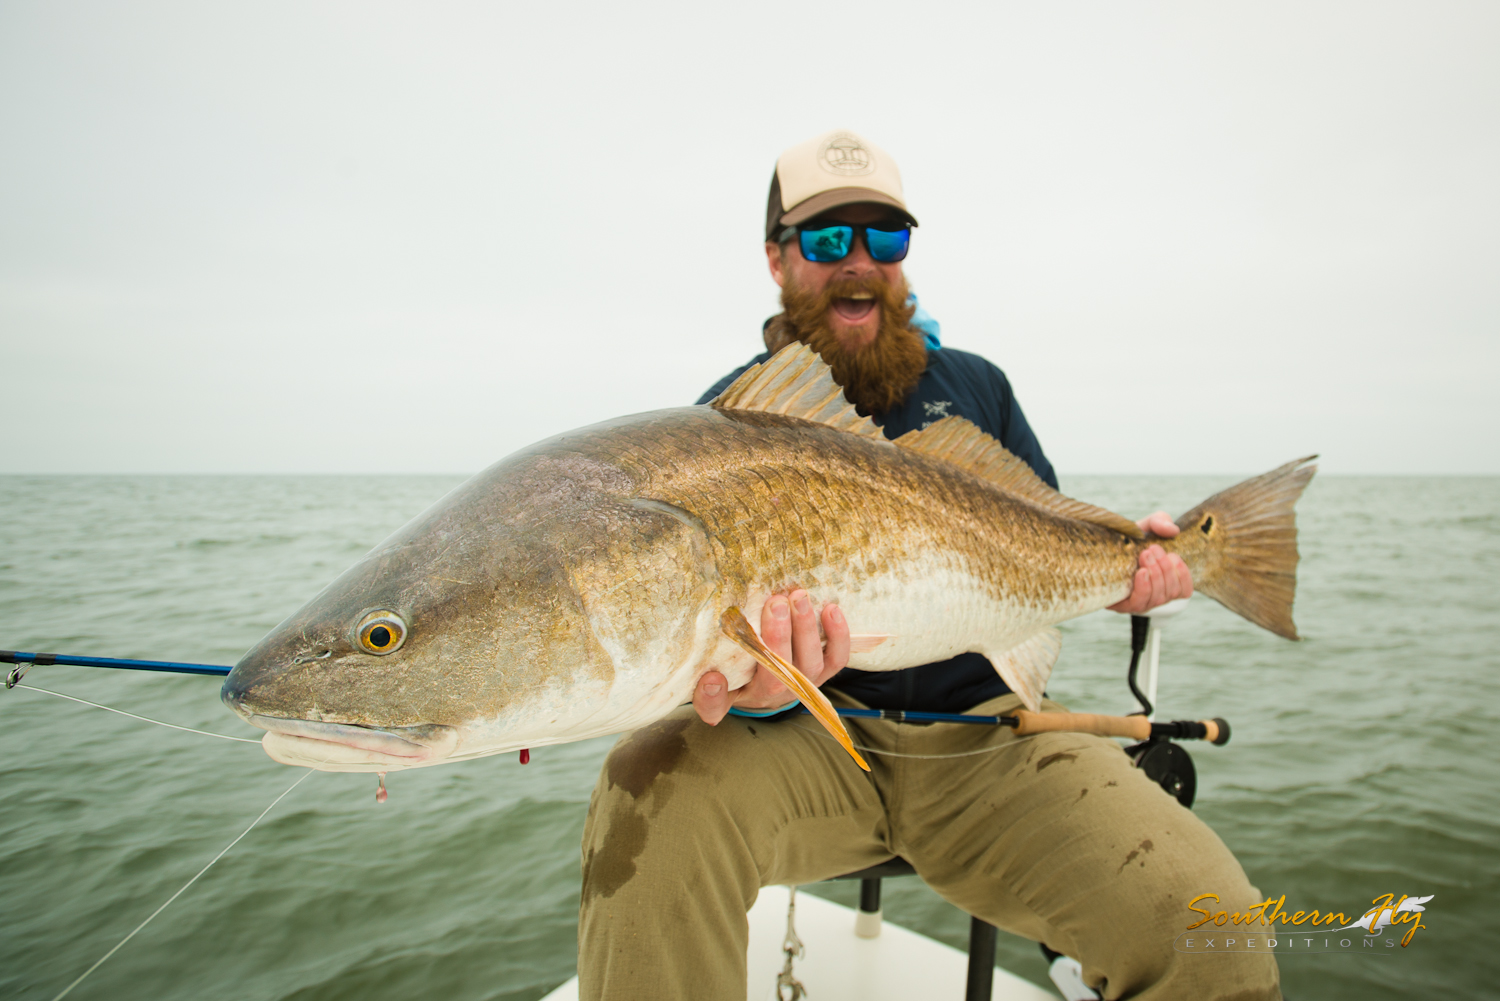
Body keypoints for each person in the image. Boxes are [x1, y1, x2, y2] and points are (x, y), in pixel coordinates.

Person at [578, 130, 1280, 1000]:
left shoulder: (977, 385)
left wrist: (1138, 565)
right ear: (776, 257)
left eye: (886, 237)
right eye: (828, 239)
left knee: (1210, 924)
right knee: (641, 801)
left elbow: (1052, 538)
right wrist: (754, 690)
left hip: (992, 733)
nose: (859, 263)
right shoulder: (719, 428)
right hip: (804, 745)